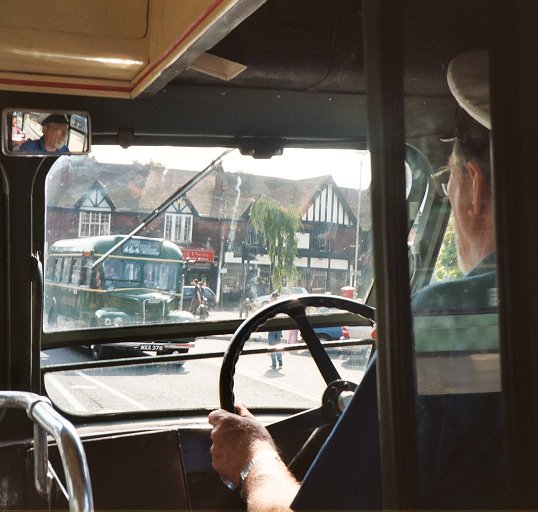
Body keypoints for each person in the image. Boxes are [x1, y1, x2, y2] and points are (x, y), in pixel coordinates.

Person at [208, 50, 501, 511]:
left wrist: (252, 456)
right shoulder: (466, 335)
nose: (450, 192)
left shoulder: (449, 326)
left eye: (447, 180)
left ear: (476, 185)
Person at [267, 291, 283, 369]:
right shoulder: (280, 305)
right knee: (278, 344)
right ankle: (280, 360)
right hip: (279, 328)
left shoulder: (270, 306)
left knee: (272, 346)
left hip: (272, 328)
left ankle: (274, 363)